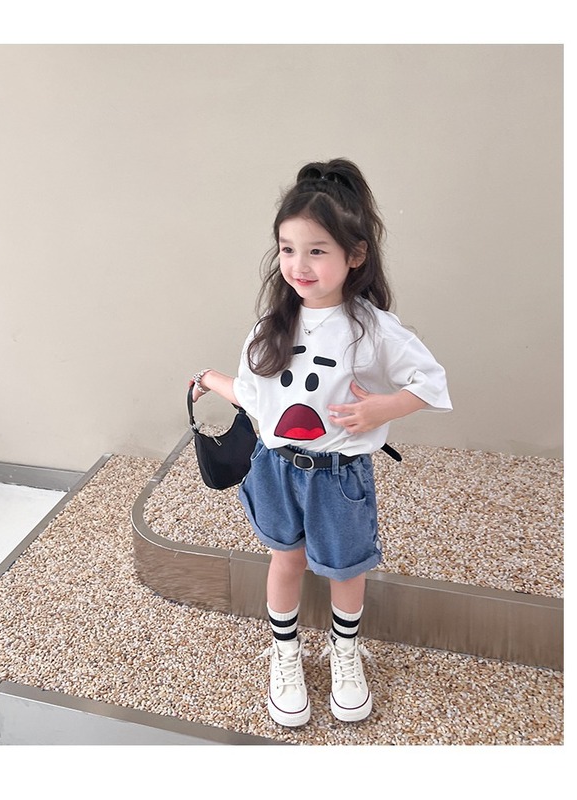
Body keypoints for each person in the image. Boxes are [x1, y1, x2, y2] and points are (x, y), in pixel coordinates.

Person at [190, 158, 452, 726]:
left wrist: (384, 407)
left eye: (316, 250)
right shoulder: (270, 328)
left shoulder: (372, 328)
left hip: (339, 475)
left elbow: (430, 382)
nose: (299, 265)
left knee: (345, 568)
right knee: (284, 559)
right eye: (288, 249)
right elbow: (258, 399)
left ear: (355, 255)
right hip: (275, 466)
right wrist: (210, 380)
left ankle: (345, 654)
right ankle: (285, 655)